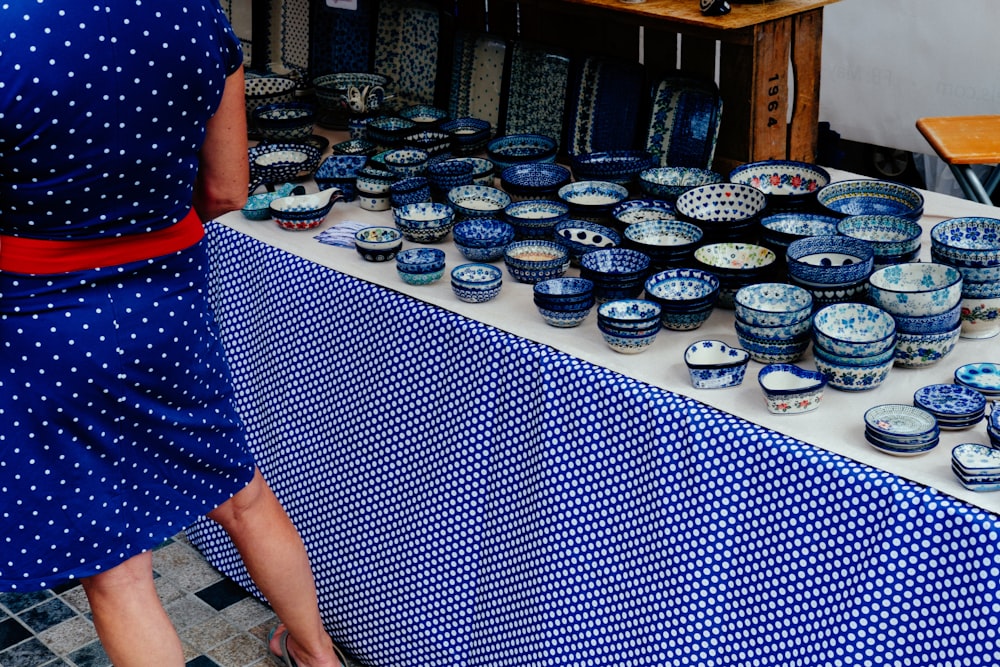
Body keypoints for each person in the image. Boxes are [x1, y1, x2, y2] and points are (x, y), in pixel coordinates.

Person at [0, 2, 345, 666]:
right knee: (242, 493)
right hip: (167, 300)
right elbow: (225, 189)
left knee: (120, 570)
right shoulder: (198, 15)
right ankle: (317, 654)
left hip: (46, 323)